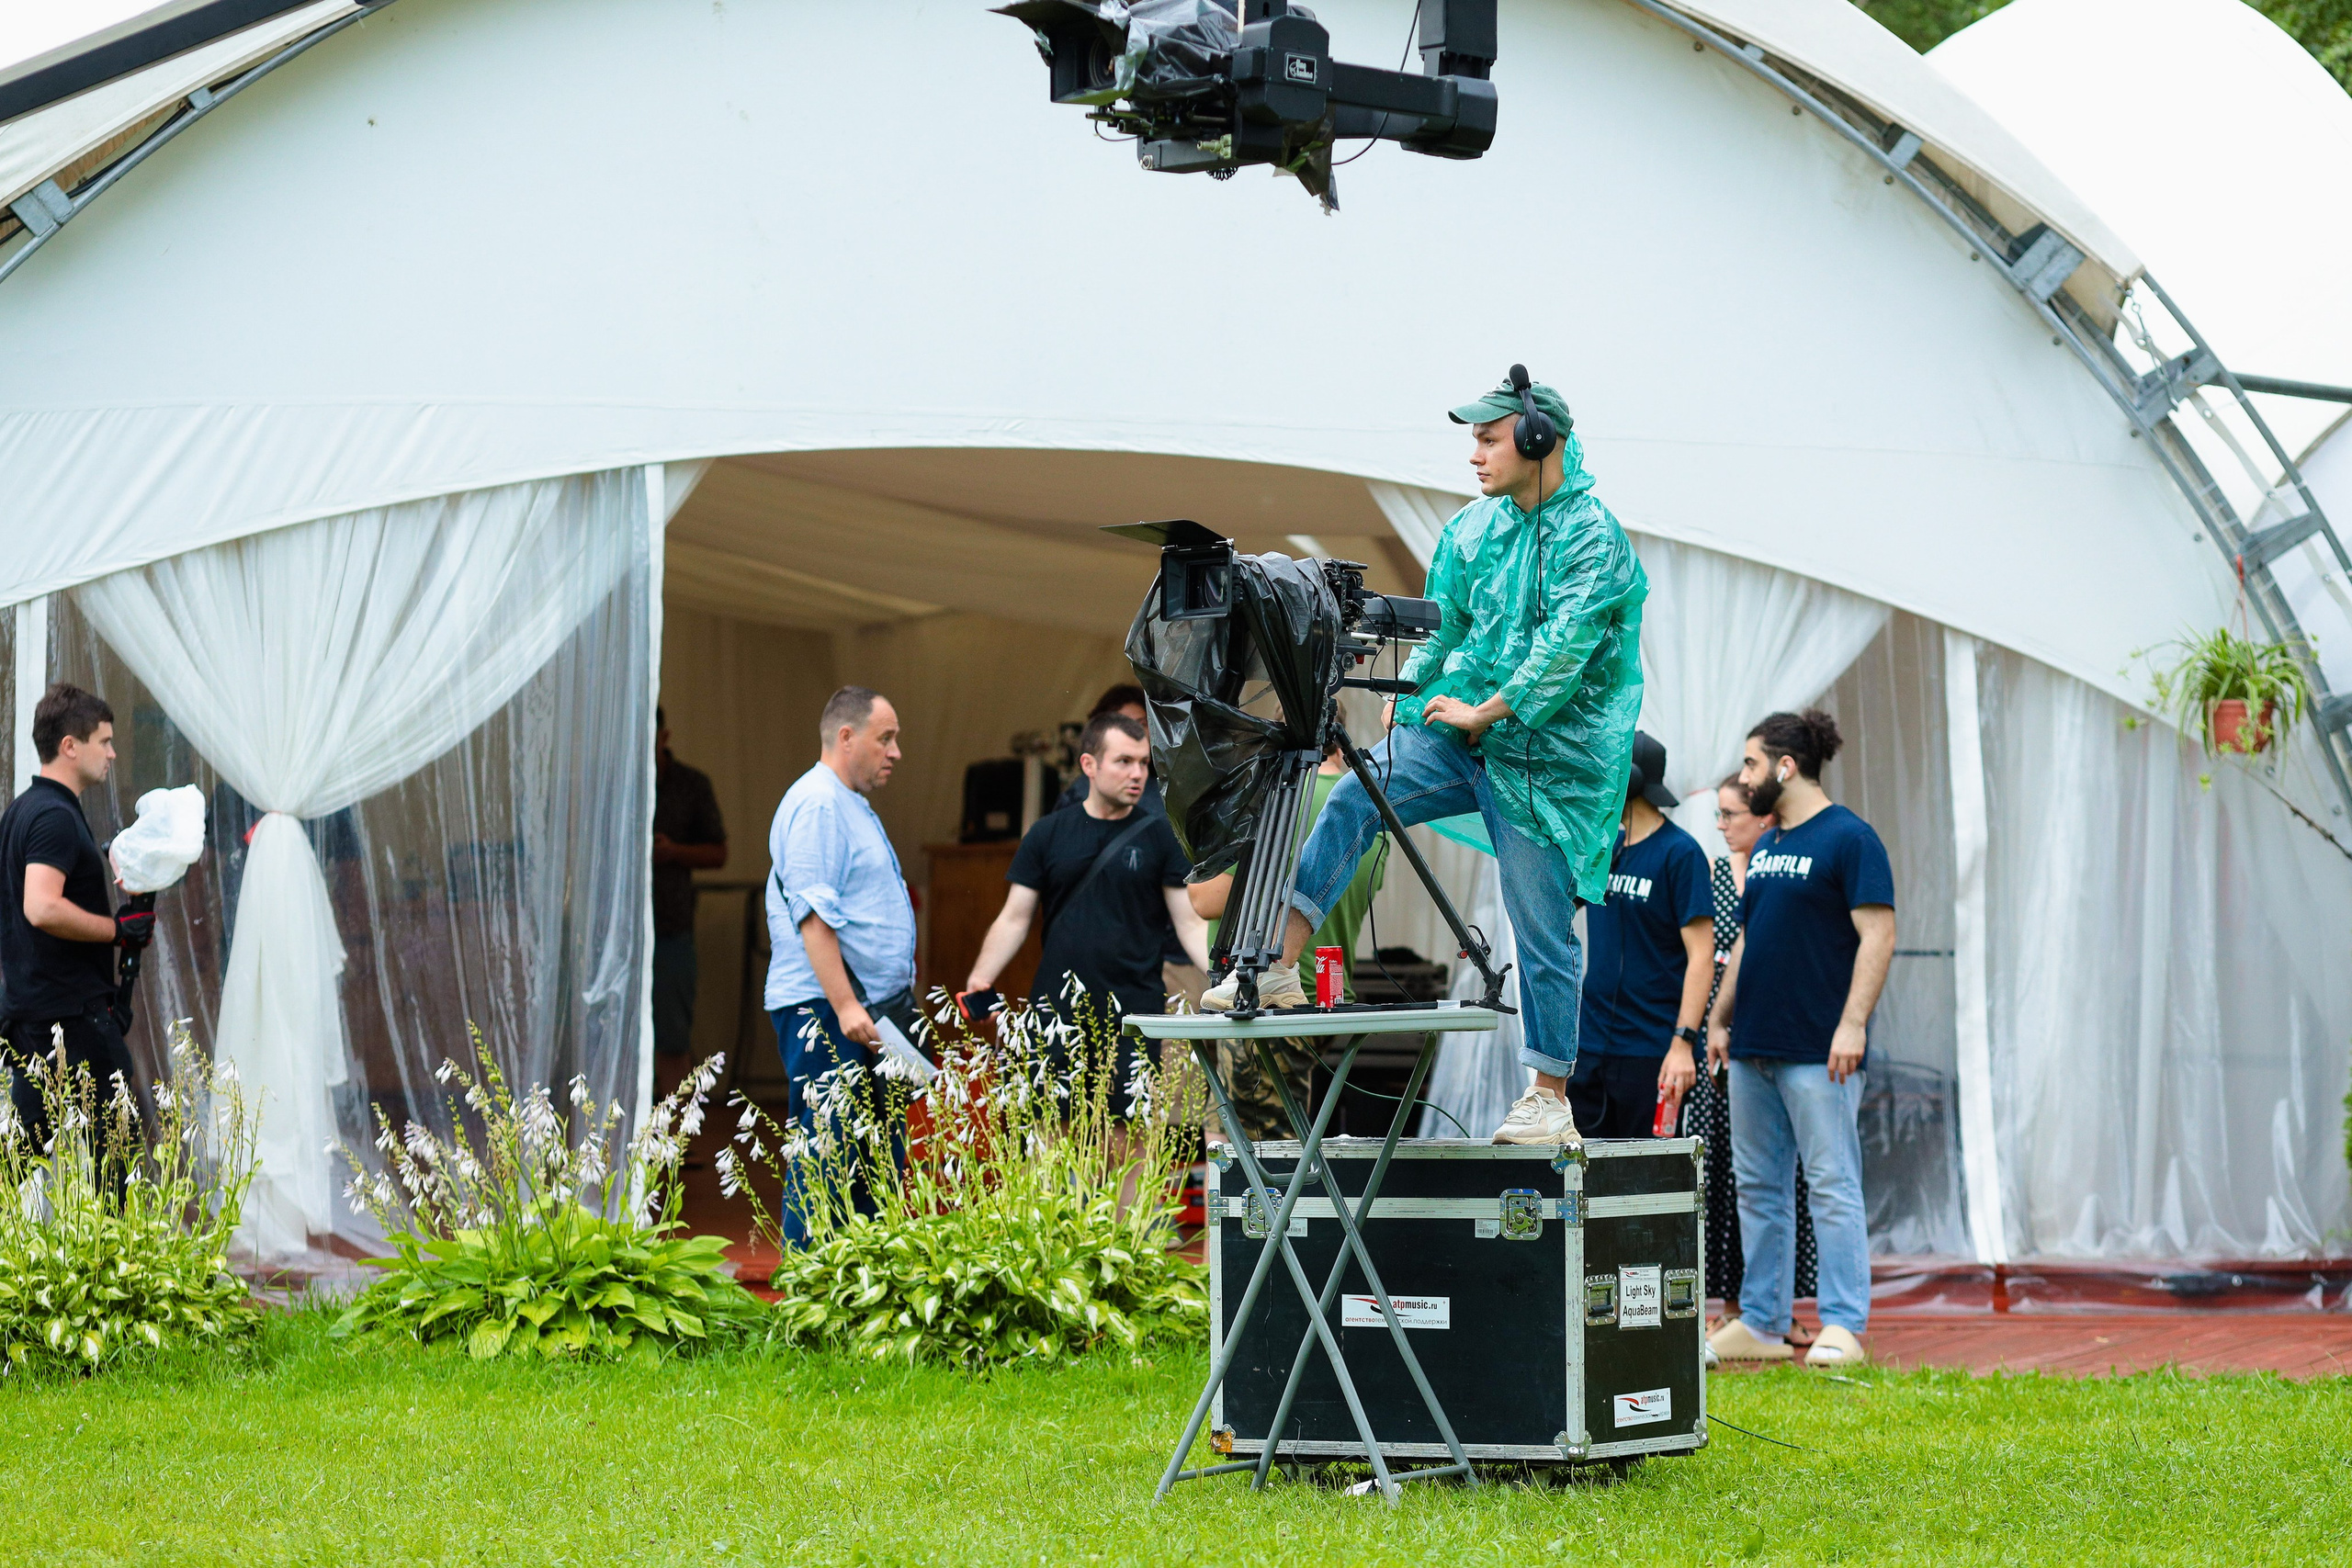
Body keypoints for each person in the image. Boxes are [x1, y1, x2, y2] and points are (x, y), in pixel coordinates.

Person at [1199, 369, 1646, 1151]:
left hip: (1552, 758)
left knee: (1539, 923)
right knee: (1355, 793)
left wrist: (1482, 708)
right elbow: (1448, 625)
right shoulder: (1474, 530)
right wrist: (1415, 686)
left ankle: (1547, 1095)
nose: (1474, 454)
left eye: (1488, 438)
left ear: (1542, 441)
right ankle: (1276, 966)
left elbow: (1564, 649)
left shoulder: (1593, 538)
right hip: (1466, 728)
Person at [1705, 710, 1894, 1370]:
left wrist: (1853, 1023)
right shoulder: (1772, 845)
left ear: (1787, 766)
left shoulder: (1850, 838)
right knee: (1758, 1186)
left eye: (1753, 763)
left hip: (1820, 1049)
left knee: (1832, 1184)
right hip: (1753, 1044)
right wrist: (1720, 1017)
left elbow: (1879, 934)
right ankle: (1762, 1321)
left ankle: (1844, 1324)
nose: (1746, 775)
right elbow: (1752, 939)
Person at [965, 712, 1211, 1111]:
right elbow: (1014, 918)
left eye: (1144, 763)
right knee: (1052, 1140)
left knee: (1128, 1142)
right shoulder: (1047, 833)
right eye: (1124, 761)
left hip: (1134, 1012)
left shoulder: (1161, 835)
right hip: (1057, 1011)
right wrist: (981, 977)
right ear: (1089, 766)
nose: (1138, 774)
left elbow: (1190, 924)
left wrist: (1227, 980)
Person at [764, 686, 918, 1246]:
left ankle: (859, 1299)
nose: (896, 751)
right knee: (827, 1156)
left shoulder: (845, 801)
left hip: (863, 1010)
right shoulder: (818, 802)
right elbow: (812, 916)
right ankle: (809, 1298)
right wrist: (847, 1004)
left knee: (873, 1161)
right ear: (846, 736)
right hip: (830, 1007)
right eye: (887, 737)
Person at [1186, 738, 1389, 1145]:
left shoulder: (1274, 800)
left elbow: (1205, 900)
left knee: (1260, 1150)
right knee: (1228, 1133)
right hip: (1326, 991)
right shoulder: (1369, 807)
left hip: (1263, 996)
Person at [0, 685, 155, 1183]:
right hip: (69, 1023)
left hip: (34, 1015)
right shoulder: (53, 817)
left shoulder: (22, 812)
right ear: (70, 746)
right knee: (120, 1177)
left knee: (12, 1167)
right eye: (104, 741)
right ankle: (116, 1263)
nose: (112, 753)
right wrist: (117, 929)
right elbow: (41, 906)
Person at [1684, 774, 1816, 1311]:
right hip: (1720, 1041)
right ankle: (1733, 1304)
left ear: (1763, 818)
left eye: (1730, 815)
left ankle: (1779, 1304)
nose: (1720, 826)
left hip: (1777, 1031)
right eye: (1717, 814)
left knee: (1789, 1173)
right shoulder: (1713, 875)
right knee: (1724, 1170)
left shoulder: (1783, 875)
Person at [1562, 731, 1712, 1140]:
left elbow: (1702, 956)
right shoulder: (1606, 849)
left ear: (1628, 777)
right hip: (1592, 1046)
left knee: (1643, 1188)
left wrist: (1683, 1043)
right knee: (1585, 1178)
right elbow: (1561, 906)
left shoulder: (1681, 854)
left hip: (1652, 1051)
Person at [650, 706, 727, 1071]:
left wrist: (673, 852)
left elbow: (719, 852)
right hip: (616, 936)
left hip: (671, 928)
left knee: (672, 1037)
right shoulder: (614, 785)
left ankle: (671, 1128)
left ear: (664, 737)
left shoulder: (692, 785)